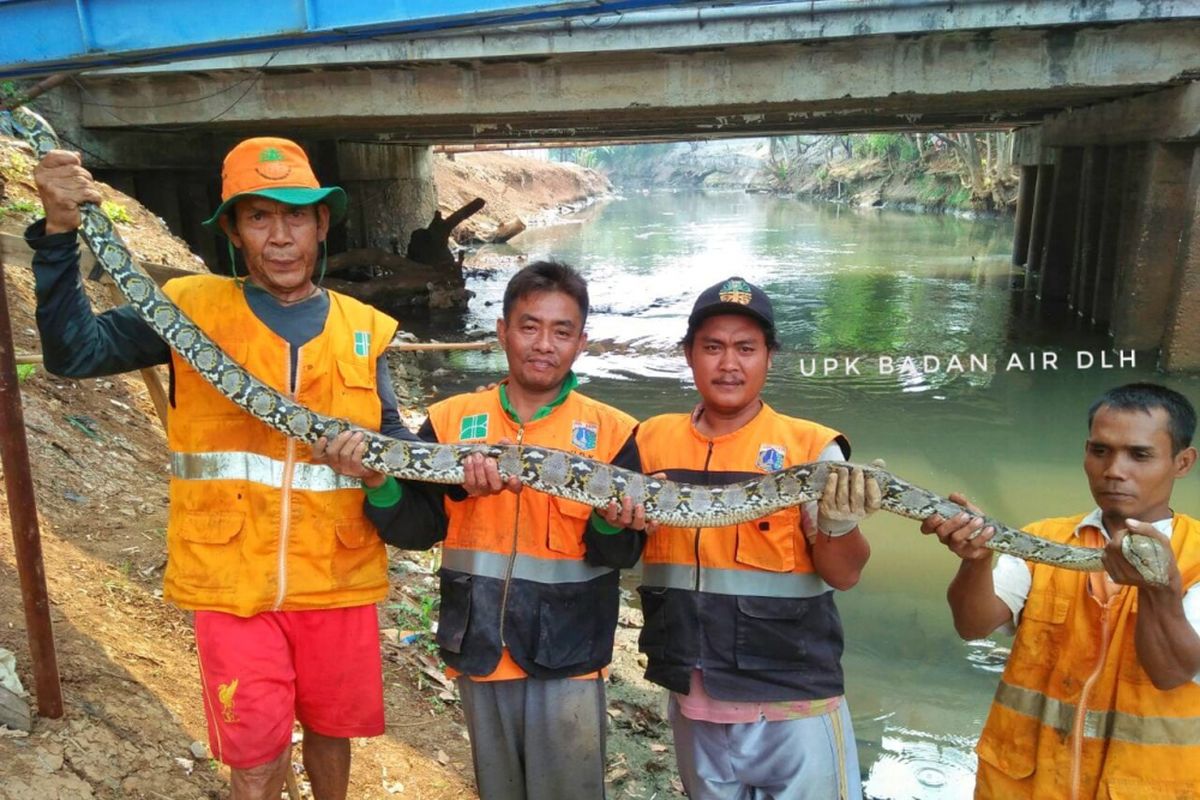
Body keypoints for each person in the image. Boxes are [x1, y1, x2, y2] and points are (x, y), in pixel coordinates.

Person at [27, 138, 449, 800]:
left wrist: (383, 469)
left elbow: (393, 443)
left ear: (322, 225)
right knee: (254, 760)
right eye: (259, 217)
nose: (280, 238)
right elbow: (73, 353)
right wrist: (57, 235)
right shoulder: (188, 310)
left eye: (296, 217)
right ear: (233, 230)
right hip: (232, 585)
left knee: (333, 737)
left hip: (337, 582)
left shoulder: (365, 329)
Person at [367, 260, 646, 800]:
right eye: (529, 326)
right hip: (479, 646)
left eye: (561, 331)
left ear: (581, 342)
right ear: (502, 331)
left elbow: (621, 552)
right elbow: (418, 528)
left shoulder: (614, 433)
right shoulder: (449, 421)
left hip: (568, 657)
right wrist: (379, 482)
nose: (544, 344)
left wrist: (612, 523)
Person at [631, 276, 879, 800]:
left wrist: (838, 524)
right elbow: (611, 549)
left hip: (795, 703)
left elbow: (845, 573)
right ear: (687, 355)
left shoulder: (812, 449)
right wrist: (622, 521)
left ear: (770, 356)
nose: (729, 364)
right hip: (695, 699)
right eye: (713, 347)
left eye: (746, 348)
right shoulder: (649, 440)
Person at [921, 382, 1200, 799]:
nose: (1114, 470)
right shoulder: (1043, 539)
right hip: (1023, 785)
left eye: (1139, 455)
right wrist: (976, 559)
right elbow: (971, 625)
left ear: (1182, 462)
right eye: (1099, 451)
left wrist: (1160, 588)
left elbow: (1170, 672)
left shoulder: (1194, 556)